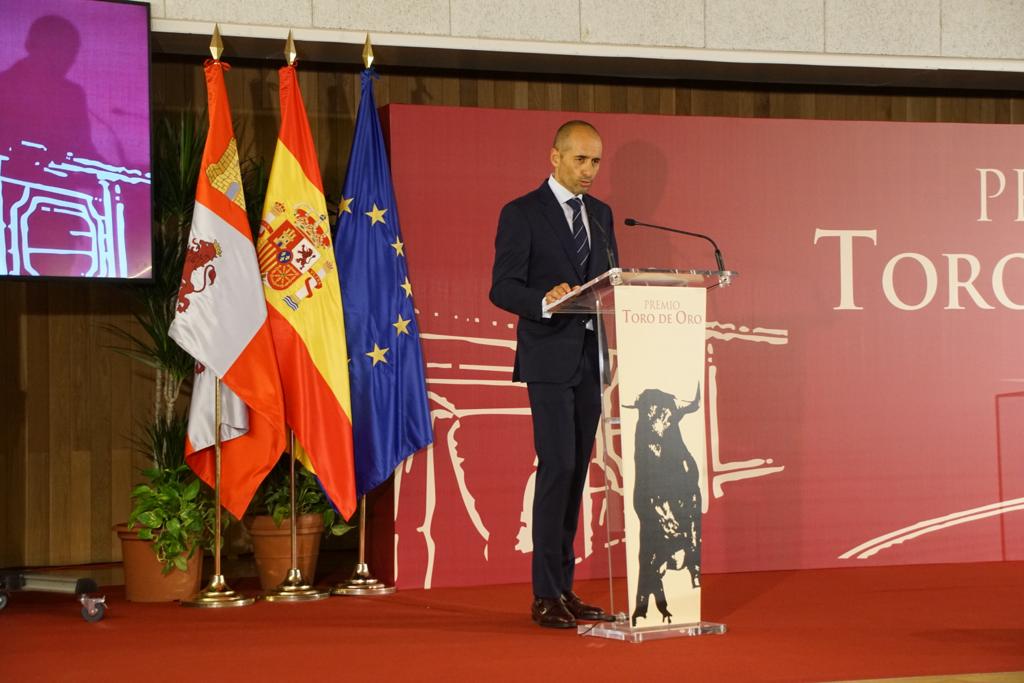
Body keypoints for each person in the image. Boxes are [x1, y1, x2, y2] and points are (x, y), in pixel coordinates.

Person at [490, 120, 619, 629]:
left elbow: (610, 280)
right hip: (547, 359)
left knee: (574, 475)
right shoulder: (522, 213)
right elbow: (502, 287)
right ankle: (545, 594)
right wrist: (542, 302)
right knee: (558, 468)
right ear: (555, 157)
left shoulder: (603, 215)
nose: (589, 171)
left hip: (591, 358)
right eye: (581, 160)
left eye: (596, 162)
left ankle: (564, 589)